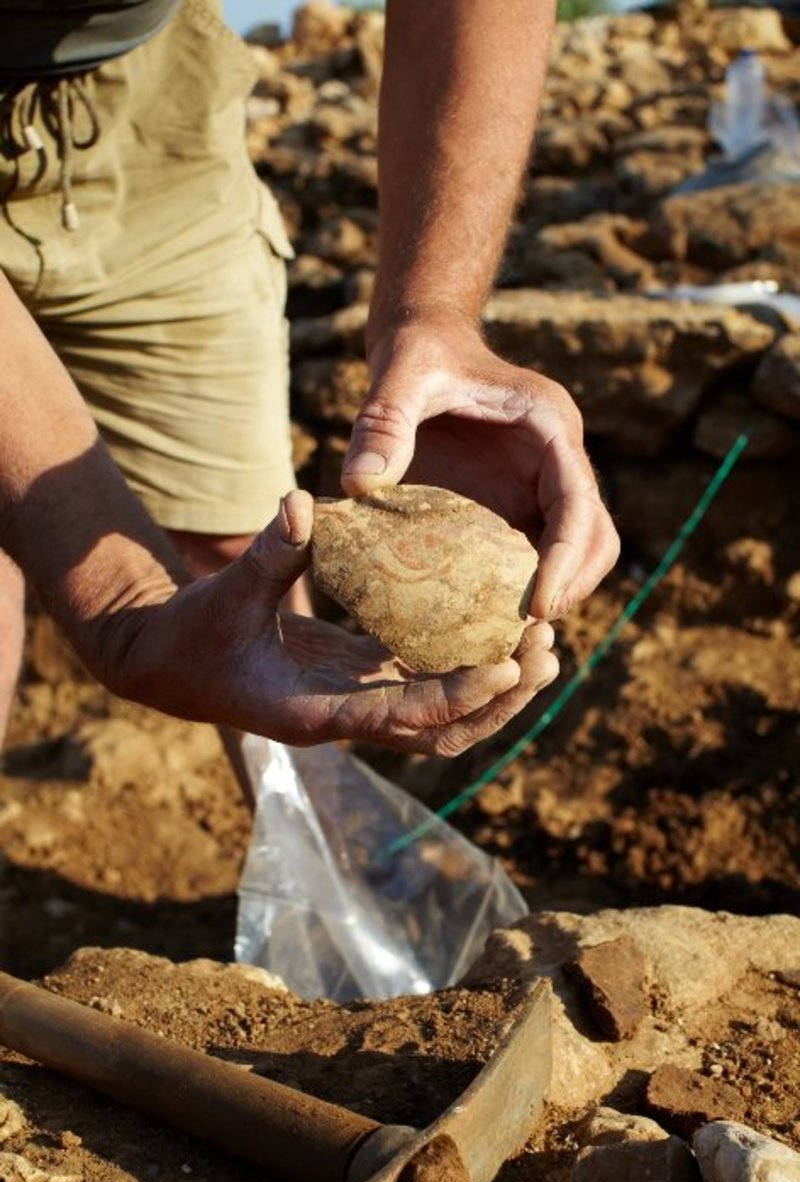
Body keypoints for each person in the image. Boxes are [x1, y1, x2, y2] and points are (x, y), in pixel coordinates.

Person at [0, 0, 619, 751]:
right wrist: (123, 608)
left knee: (244, 565)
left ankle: (310, 858)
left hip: (149, 104)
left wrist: (433, 311)